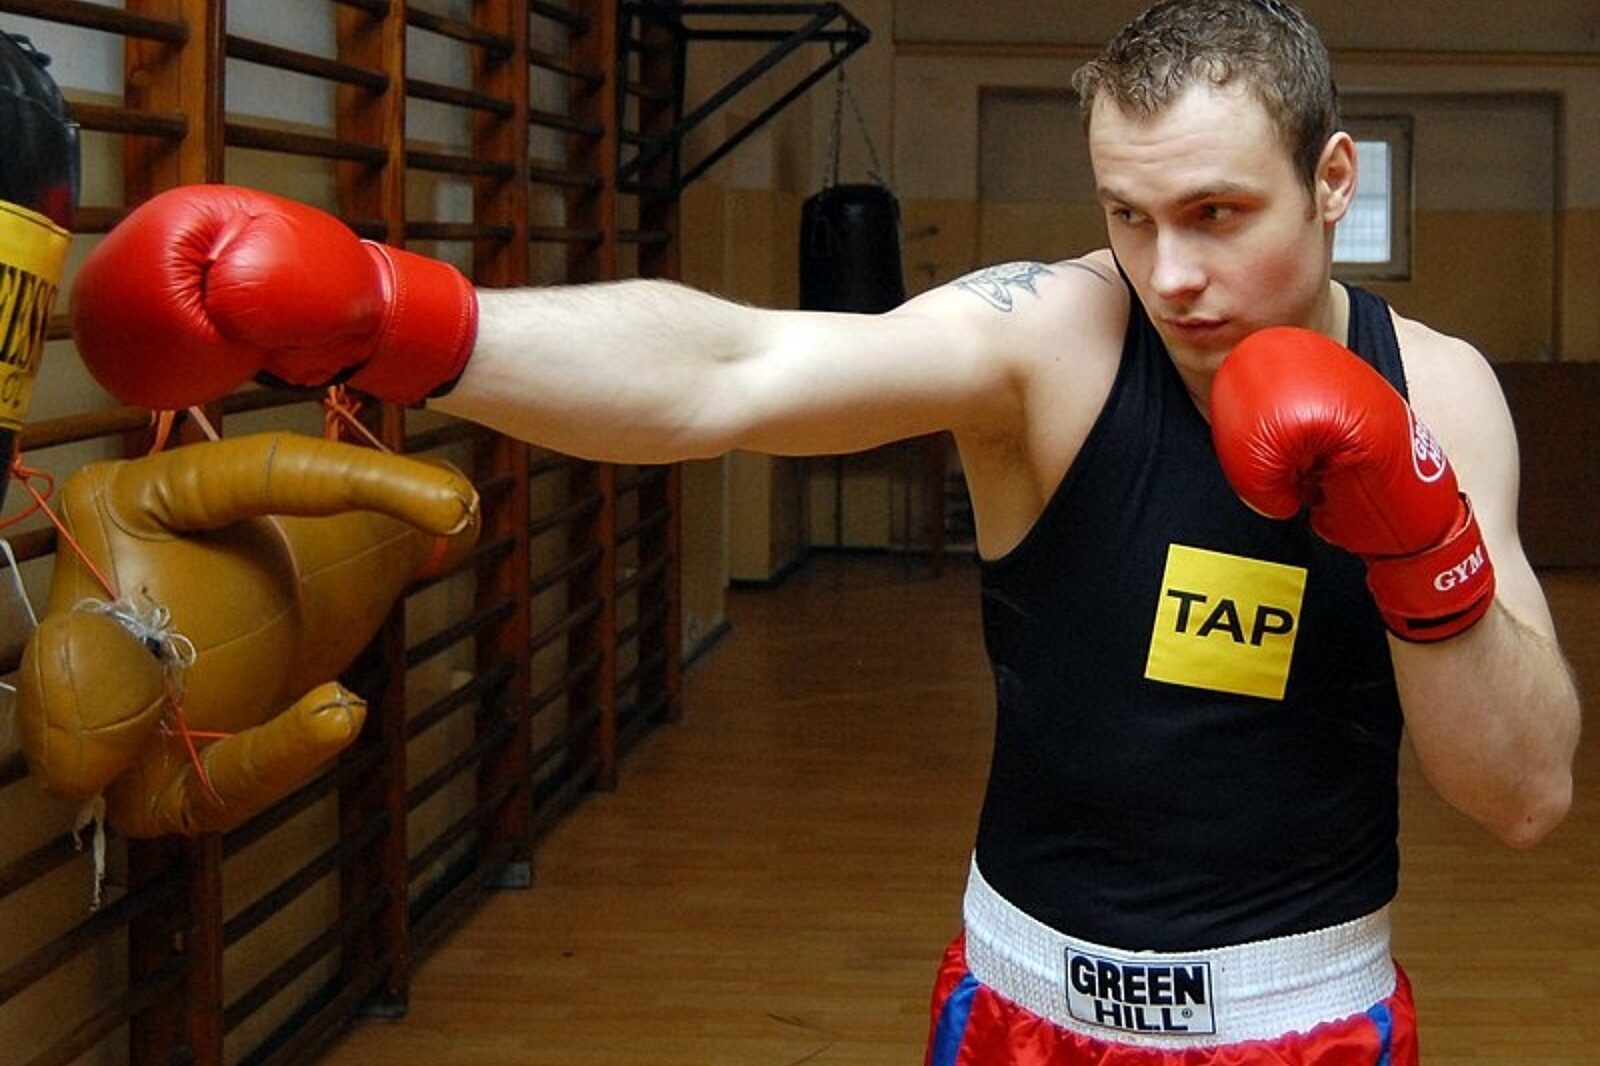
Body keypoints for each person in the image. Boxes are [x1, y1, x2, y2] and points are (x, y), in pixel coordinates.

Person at [67, 1, 1581, 1063]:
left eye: (1217, 213)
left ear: (1333, 180)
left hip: (1298, 1020)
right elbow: (734, 368)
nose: (1170, 273)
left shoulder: (1439, 391)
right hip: (1026, 1011)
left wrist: (1417, 534)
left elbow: (1521, 793)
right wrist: (401, 318)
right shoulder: (1051, 340)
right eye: (1129, 215)